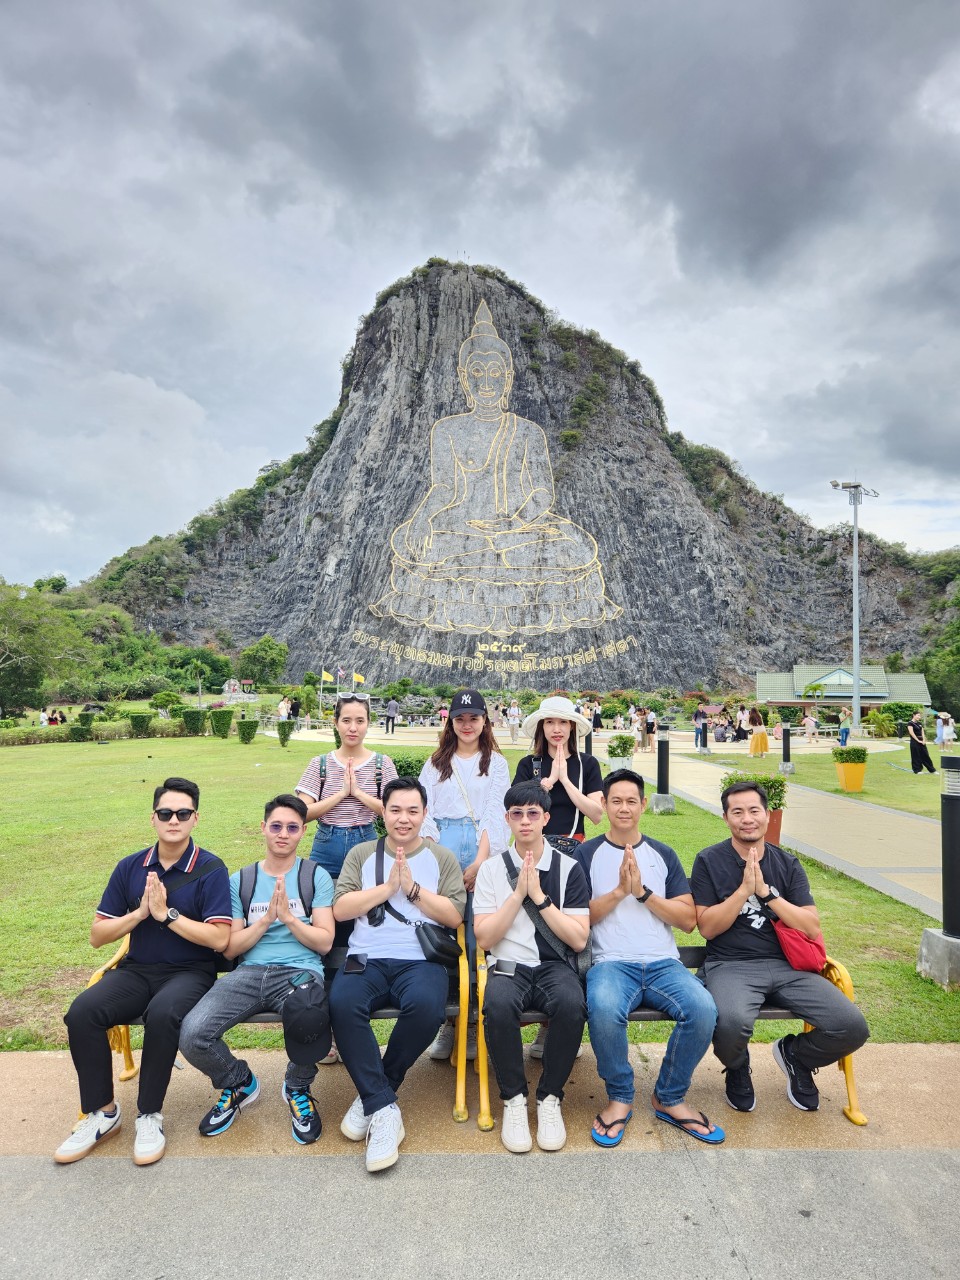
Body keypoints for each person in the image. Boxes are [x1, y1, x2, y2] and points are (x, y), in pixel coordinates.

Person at [370, 300, 621, 636]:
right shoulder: (447, 429)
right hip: (465, 527)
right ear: (462, 377)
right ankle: (487, 570)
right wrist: (420, 519)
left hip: (521, 531)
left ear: (508, 378)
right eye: (476, 371)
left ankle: (496, 572)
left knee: (574, 547)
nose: (485, 381)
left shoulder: (529, 431)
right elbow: (445, 488)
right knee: (411, 540)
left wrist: (513, 523)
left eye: (494, 371)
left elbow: (544, 493)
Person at [55, 778, 232, 1166]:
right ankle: (102, 1112)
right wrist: (138, 913)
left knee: (164, 1013)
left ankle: (149, 1115)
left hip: (190, 971)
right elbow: (97, 936)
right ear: (153, 818)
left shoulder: (210, 868)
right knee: (83, 1012)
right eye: (166, 813)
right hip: (137, 970)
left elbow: (220, 940)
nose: (174, 820)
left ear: (195, 818)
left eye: (182, 813)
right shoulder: (130, 867)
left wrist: (166, 916)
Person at [690, 781, 869, 1113]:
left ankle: (797, 1056)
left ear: (768, 815)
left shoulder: (788, 864)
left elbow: (810, 925)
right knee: (728, 1022)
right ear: (726, 817)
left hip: (789, 966)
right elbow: (708, 927)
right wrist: (744, 891)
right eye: (737, 812)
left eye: (754, 810)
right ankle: (738, 1066)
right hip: (732, 965)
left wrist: (767, 894)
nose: (747, 819)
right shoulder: (709, 861)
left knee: (852, 1026)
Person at [179, 795, 335, 1146]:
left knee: (310, 1015)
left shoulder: (315, 876)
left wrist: (290, 919)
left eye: (292, 828)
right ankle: (237, 1081)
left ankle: (297, 1087)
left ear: (303, 833)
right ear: (263, 828)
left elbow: (324, 942)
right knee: (193, 1033)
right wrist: (266, 919)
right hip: (250, 972)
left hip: (299, 972)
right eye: (276, 826)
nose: (283, 834)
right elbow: (232, 947)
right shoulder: (242, 880)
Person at [329, 778, 466, 1172]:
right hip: (366, 957)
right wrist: (388, 887)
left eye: (412, 811)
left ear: (424, 814)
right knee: (342, 1003)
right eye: (395, 810)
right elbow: (341, 909)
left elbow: (454, 916)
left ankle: (376, 1092)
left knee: (426, 1007)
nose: (403, 819)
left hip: (420, 960)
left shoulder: (441, 858)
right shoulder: (361, 854)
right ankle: (385, 1108)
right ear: (383, 813)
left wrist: (413, 890)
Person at [580, 770, 722, 1146]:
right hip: (611, 963)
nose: (624, 808)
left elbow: (689, 921)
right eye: (616, 801)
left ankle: (670, 1096)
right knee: (605, 1009)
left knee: (703, 1008)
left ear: (643, 804)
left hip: (663, 963)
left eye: (631, 801)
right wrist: (618, 892)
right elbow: (575, 919)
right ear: (604, 805)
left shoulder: (663, 854)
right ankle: (620, 1097)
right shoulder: (587, 854)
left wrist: (642, 893)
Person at [473, 782, 590, 1153]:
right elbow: (485, 939)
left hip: (554, 963)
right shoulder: (493, 869)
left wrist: (538, 897)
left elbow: (578, 939)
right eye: (517, 814)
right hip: (508, 962)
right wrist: (517, 895)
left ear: (546, 819)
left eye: (533, 814)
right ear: (507, 819)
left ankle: (550, 1097)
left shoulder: (569, 868)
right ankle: (514, 1099)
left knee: (572, 1005)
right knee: (499, 1004)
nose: (525, 822)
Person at [295, 693, 398, 1062]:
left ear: (369, 723)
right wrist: (341, 793)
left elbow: (393, 811)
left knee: (364, 934)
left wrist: (360, 794)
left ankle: (356, 1020)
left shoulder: (382, 764)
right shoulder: (320, 764)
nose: (353, 727)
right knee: (326, 938)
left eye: (360, 721)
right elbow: (302, 814)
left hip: (367, 846)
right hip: (326, 846)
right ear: (335, 723)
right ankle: (327, 1030)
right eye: (346, 720)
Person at [418, 689, 510, 1059]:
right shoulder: (436, 762)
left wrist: (480, 862)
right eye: (460, 718)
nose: (467, 725)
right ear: (450, 722)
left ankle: (472, 1022)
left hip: (481, 846)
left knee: (477, 937)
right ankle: (448, 1021)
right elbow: (423, 810)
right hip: (440, 846)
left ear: (485, 721)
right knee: (440, 933)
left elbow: (493, 813)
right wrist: (440, 859)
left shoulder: (496, 763)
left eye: (474, 718)